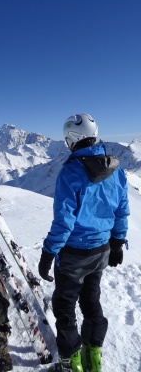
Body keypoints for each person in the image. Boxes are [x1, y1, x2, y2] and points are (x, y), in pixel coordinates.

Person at [38, 113, 130, 372]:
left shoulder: (71, 172)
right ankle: (93, 357)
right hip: (101, 251)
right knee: (91, 300)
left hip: (74, 254)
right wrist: (118, 242)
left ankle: (71, 365)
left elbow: (64, 222)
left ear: (71, 138)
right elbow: (122, 210)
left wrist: (48, 254)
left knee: (64, 306)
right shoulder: (115, 168)